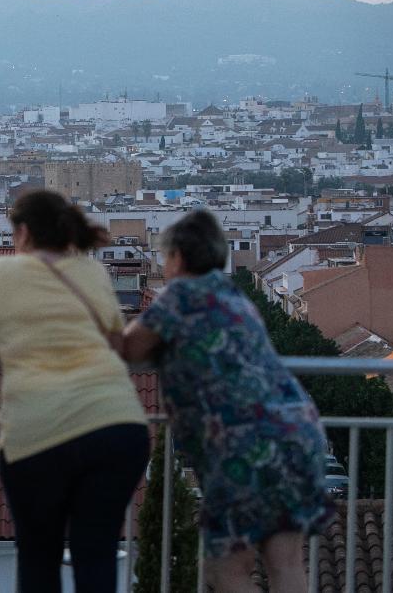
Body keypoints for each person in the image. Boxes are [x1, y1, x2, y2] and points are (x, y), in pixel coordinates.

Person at [122, 210, 332, 592]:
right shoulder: (233, 294)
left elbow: (128, 347)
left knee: (225, 572)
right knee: (285, 566)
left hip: (241, 446)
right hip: (298, 434)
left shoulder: (182, 294)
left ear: (179, 259)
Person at [0, 188, 149, 593]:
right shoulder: (92, 272)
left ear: (25, 232)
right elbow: (117, 345)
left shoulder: (3, 272)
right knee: (97, 551)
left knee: (38, 556)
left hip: (38, 430)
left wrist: (22, 341)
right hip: (116, 424)